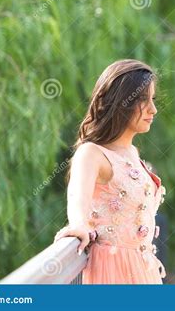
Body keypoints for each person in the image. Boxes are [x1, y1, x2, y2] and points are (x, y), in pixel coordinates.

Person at [54, 59, 167, 284]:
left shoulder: (132, 152)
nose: (153, 109)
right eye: (143, 100)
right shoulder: (92, 153)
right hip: (113, 270)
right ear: (122, 102)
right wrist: (77, 224)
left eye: (152, 99)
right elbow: (78, 197)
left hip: (144, 271)